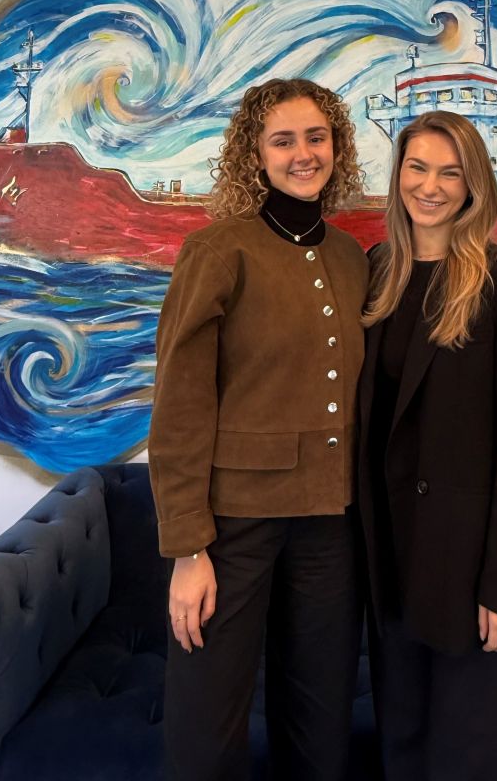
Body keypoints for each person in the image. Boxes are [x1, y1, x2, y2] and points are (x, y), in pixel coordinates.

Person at [147, 78, 369, 781]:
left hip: (330, 523)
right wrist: (188, 547)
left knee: (322, 715)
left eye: (316, 136)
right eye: (283, 140)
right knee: (206, 720)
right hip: (233, 526)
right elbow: (179, 404)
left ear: (336, 145)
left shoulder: (348, 257)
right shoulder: (217, 251)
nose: (303, 154)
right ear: (255, 155)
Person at [357, 110, 497, 781]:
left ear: (474, 185)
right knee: (402, 744)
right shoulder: (377, 271)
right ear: (398, 174)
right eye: (417, 167)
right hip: (389, 557)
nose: (430, 185)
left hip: (467, 567)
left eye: (450, 172)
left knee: (469, 754)